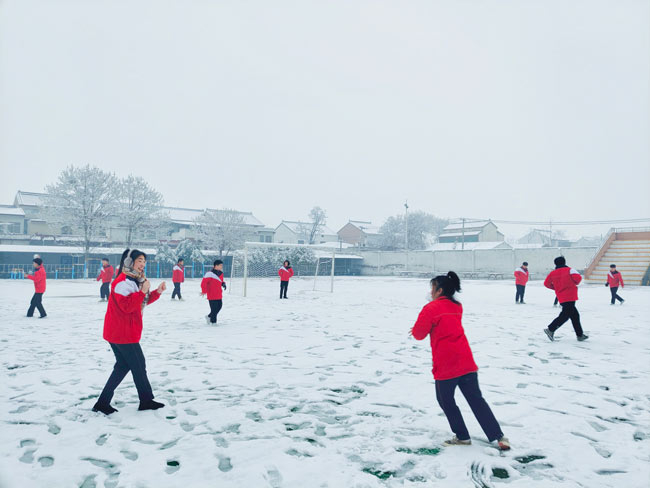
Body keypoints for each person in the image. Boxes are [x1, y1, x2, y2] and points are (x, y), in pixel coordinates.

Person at [411, 271, 510, 451]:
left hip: (446, 364)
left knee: (446, 401)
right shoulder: (457, 306)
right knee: (476, 400)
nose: (430, 292)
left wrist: (417, 327)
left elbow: (419, 334)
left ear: (439, 290)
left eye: (432, 288)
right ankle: (498, 436)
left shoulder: (431, 309)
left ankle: (462, 436)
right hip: (465, 361)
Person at [92, 249, 166, 415]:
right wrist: (142, 291)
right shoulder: (122, 282)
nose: (142, 265)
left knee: (123, 366)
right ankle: (146, 400)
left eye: (144, 262)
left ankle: (102, 402)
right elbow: (127, 306)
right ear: (129, 262)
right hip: (122, 333)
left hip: (122, 331)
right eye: (139, 260)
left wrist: (157, 292)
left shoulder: (134, 281)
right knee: (139, 365)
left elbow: (141, 302)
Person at [543, 256, 588, 342]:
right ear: (564, 262)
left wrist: (556, 288)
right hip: (570, 296)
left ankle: (580, 335)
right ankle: (550, 329)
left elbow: (546, 284)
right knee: (565, 315)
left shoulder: (552, 273)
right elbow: (578, 279)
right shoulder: (570, 270)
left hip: (561, 296)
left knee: (574, 315)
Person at [201, 260, 227, 325]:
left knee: (219, 306)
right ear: (216, 266)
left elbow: (220, 281)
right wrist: (204, 291)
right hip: (211, 294)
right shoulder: (209, 274)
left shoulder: (221, 273)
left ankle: (209, 316)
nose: (221, 267)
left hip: (218, 293)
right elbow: (203, 283)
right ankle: (213, 322)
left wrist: (223, 284)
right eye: (220, 265)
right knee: (214, 308)